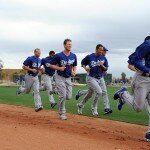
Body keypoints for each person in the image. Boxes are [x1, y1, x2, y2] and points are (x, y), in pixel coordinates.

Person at [113, 36, 150, 141]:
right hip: (142, 78)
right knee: (138, 108)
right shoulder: (146, 45)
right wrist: (144, 70)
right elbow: (132, 62)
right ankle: (123, 94)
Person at [75, 48, 112, 114]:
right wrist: (85, 67)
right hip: (91, 78)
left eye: (105, 51)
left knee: (90, 93)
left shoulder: (104, 59)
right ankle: (94, 108)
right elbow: (83, 62)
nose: (104, 52)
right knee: (99, 92)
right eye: (103, 51)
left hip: (100, 78)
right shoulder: (90, 56)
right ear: (97, 50)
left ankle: (80, 105)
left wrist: (102, 66)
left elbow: (106, 68)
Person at [50, 39, 77, 120]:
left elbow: (75, 65)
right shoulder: (58, 55)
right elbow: (51, 65)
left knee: (68, 96)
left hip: (68, 78)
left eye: (70, 44)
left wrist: (74, 72)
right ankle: (62, 113)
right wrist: (58, 68)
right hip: (59, 77)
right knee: (63, 96)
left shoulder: (73, 55)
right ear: (64, 45)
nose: (70, 46)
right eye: (68, 44)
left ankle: (56, 90)